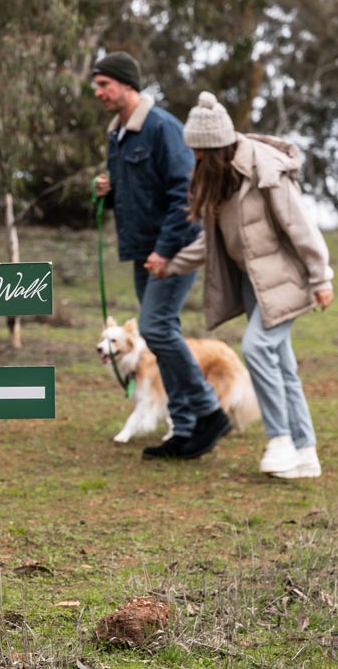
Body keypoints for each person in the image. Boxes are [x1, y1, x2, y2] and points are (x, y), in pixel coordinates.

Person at [147, 90, 334, 479]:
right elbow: (210, 244)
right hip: (255, 283)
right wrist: (172, 265)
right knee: (282, 366)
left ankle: (280, 439)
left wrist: (321, 278)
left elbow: (301, 227)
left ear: (214, 147)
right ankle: (306, 453)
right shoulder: (221, 181)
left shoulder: (265, 171)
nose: (193, 158)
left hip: (287, 279)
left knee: (256, 346)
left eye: (198, 151)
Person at [92, 51, 232, 460]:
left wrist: (165, 250)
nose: (97, 92)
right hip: (141, 251)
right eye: (96, 85)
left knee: (155, 327)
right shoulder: (115, 134)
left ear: (128, 85)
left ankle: (208, 411)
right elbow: (141, 190)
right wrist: (110, 190)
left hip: (174, 248)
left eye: (105, 84)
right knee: (159, 330)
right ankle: (185, 429)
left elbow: (182, 194)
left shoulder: (162, 128)